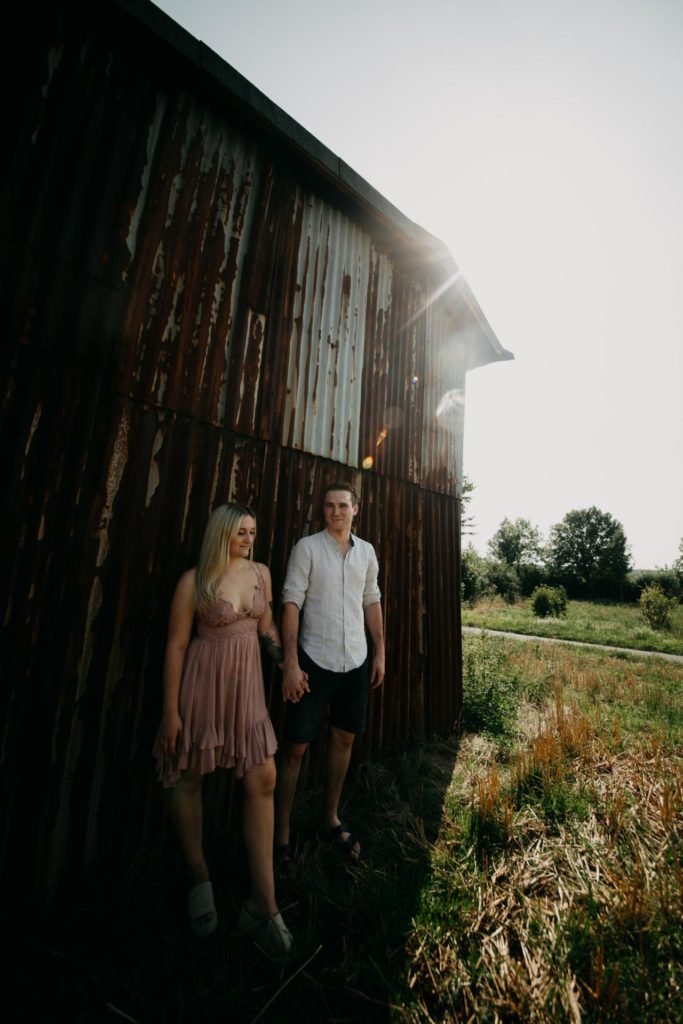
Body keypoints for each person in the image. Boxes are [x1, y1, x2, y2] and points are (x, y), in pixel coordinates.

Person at [153, 503, 293, 958]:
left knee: (264, 778)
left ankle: (263, 904)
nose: (248, 539)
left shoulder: (261, 574)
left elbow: (266, 628)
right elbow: (175, 646)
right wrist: (170, 712)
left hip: (247, 690)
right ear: (221, 533)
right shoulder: (195, 581)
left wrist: (287, 665)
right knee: (189, 775)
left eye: (253, 531)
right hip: (202, 687)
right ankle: (199, 878)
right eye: (240, 532)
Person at [274, 483, 385, 872]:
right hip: (313, 662)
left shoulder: (366, 552)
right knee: (296, 748)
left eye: (343, 505)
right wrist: (290, 662)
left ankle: (329, 818)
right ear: (322, 510)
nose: (336, 512)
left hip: (355, 661)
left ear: (357, 509)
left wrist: (379, 653)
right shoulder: (307, 548)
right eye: (329, 506)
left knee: (343, 738)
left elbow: (371, 601)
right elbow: (291, 603)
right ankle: (281, 834)